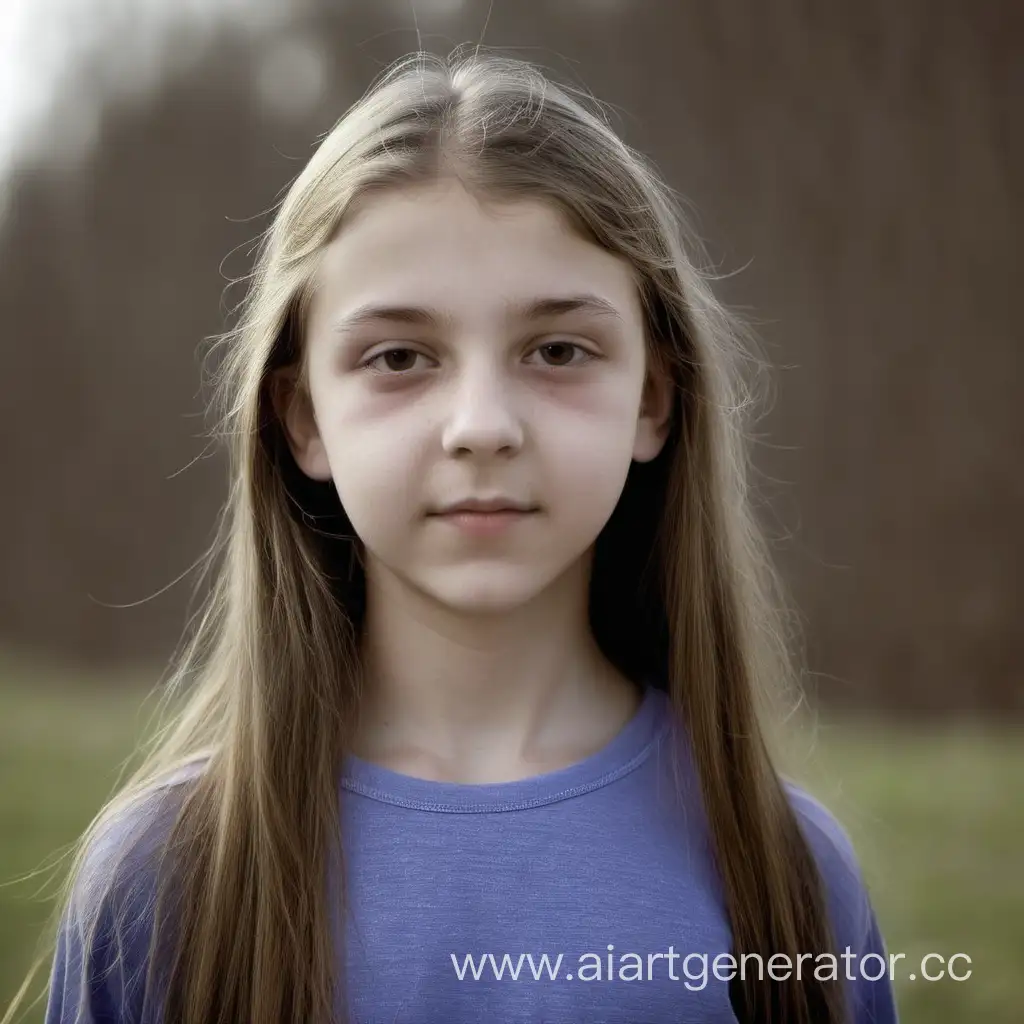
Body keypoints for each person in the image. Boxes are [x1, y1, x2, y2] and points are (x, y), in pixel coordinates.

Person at [7, 47, 899, 1024]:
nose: (481, 423)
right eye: (399, 356)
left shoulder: (784, 872)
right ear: (303, 419)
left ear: (654, 397)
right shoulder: (166, 876)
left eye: (557, 350)